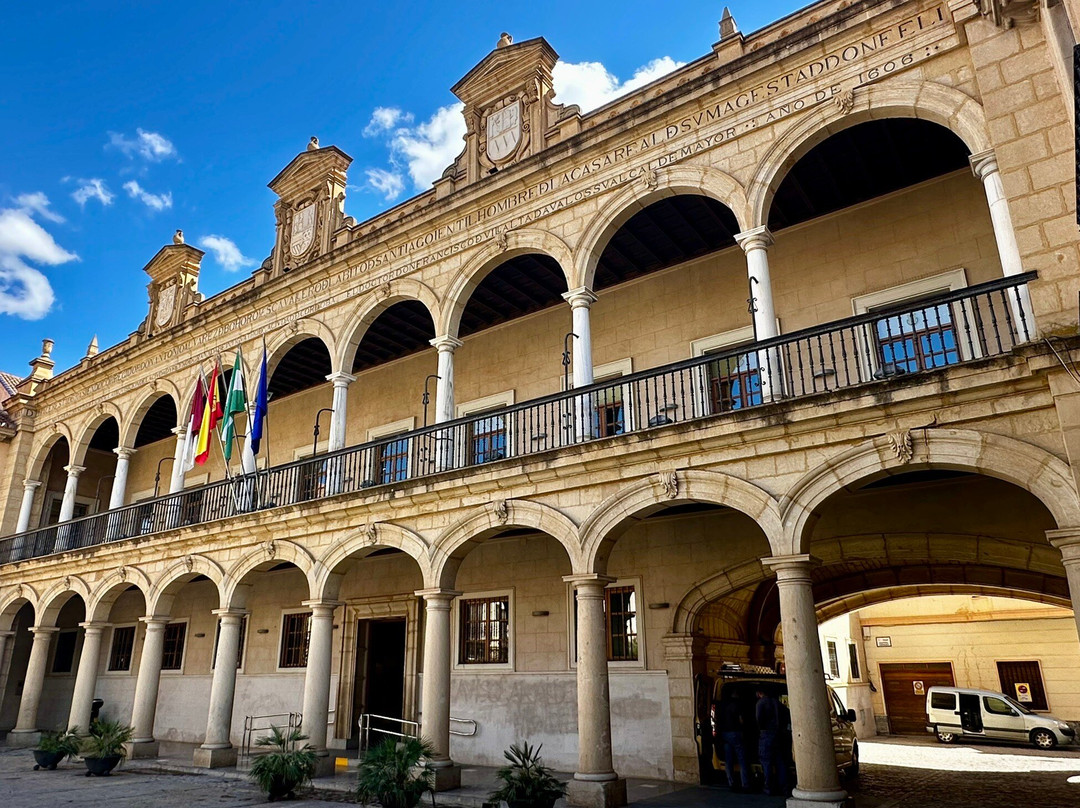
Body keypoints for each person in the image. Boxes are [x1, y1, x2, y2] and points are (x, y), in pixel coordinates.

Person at [755, 687, 788, 795]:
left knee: (766, 762)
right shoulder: (777, 703)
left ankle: (768, 787)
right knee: (780, 762)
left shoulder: (761, 703)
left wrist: (761, 729)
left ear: (760, 693)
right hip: (778, 734)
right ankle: (783, 787)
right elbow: (787, 714)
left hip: (766, 734)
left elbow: (759, 719)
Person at [717, 691, 751, 791]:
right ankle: (745, 784)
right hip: (735, 733)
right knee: (742, 759)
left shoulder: (722, 705)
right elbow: (741, 721)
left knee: (728, 760)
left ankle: (731, 783)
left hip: (725, 734)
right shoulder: (737, 705)